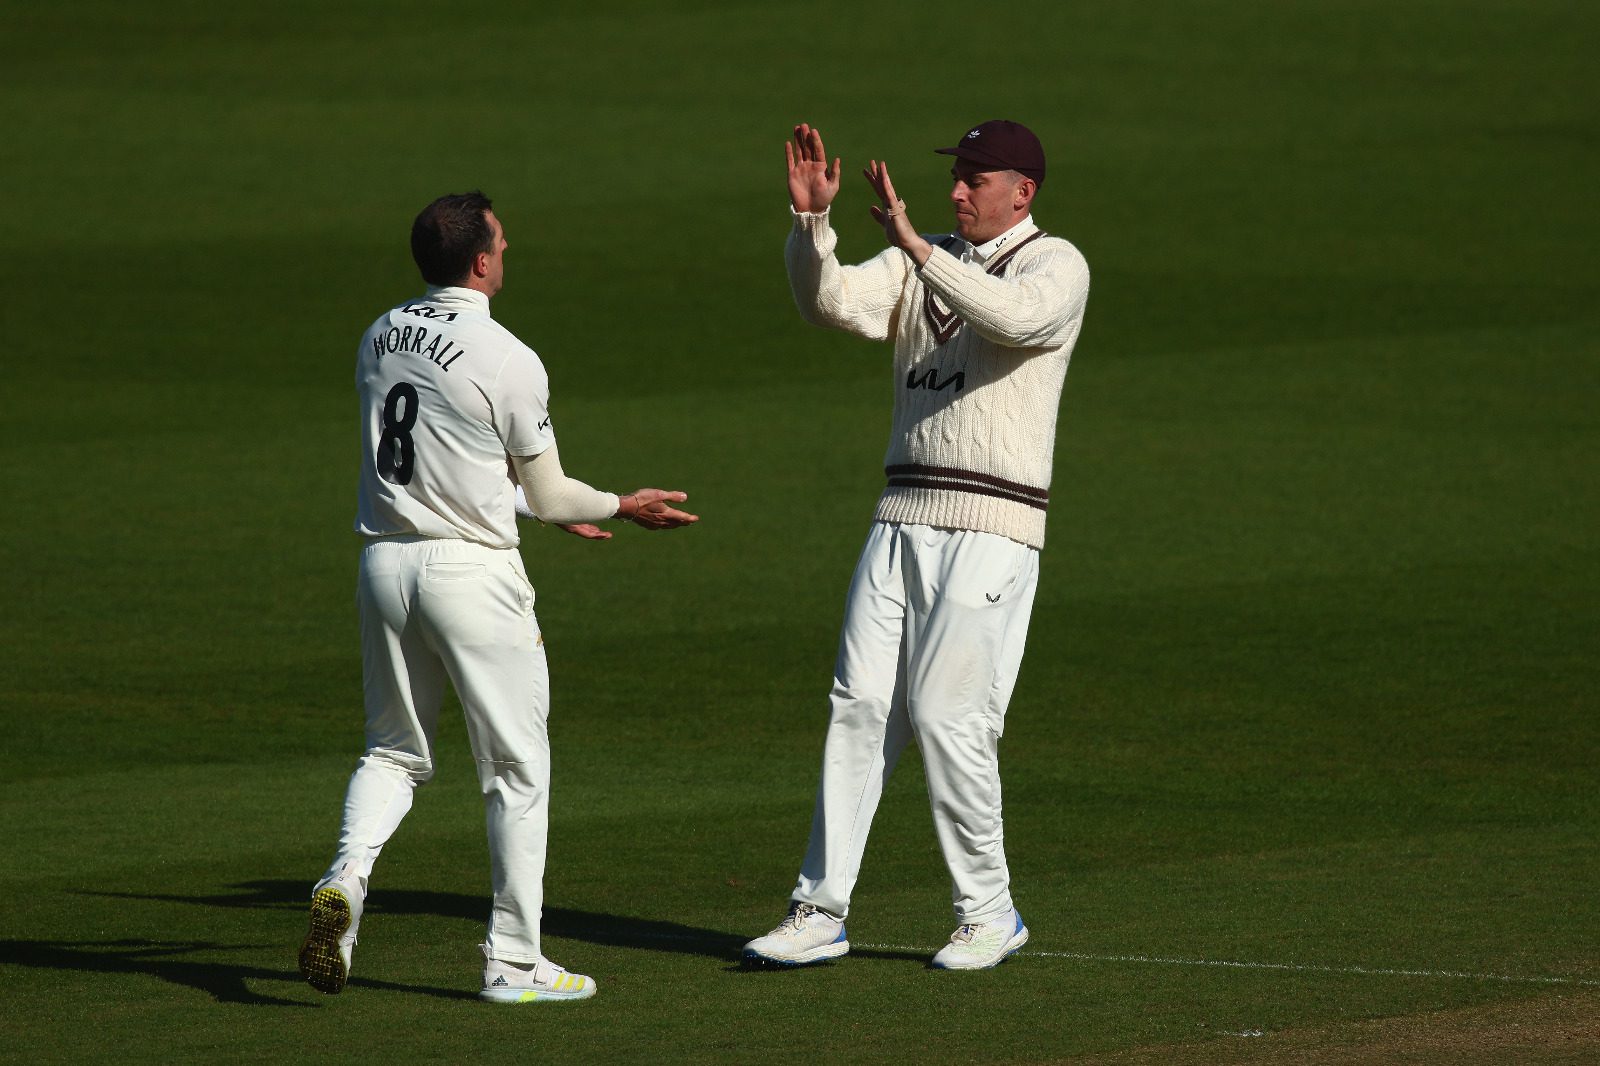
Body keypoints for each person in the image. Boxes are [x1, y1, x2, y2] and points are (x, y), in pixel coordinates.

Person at [299, 191, 697, 1003]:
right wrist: (621, 504)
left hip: (386, 567)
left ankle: (346, 879)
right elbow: (549, 495)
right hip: (472, 578)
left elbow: (439, 462)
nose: (507, 252)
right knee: (516, 770)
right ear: (481, 260)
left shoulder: (379, 335)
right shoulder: (510, 357)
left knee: (393, 754)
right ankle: (513, 963)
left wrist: (522, 505)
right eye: (503, 243)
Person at [743, 121, 1090, 970]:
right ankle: (819, 908)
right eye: (957, 177)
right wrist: (812, 230)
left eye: (976, 178)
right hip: (901, 514)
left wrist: (920, 251)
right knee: (858, 704)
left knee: (947, 716)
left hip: (994, 526)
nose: (958, 191)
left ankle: (990, 910)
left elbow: (1013, 321)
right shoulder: (918, 256)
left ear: (1024, 192)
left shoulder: (1057, 265)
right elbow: (829, 304)